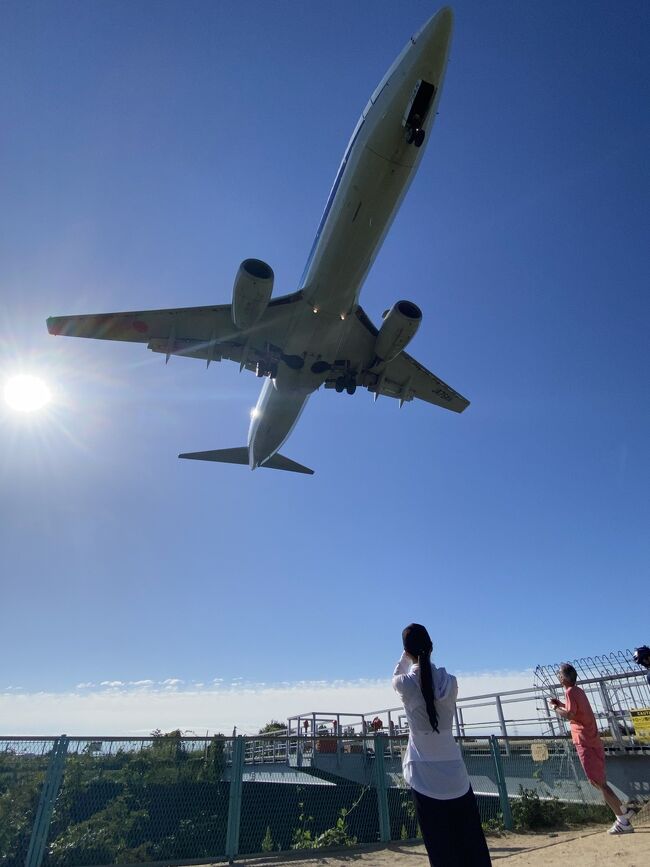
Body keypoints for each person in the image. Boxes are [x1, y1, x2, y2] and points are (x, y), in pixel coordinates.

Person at [392, 623, 491, 866]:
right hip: (456, 777)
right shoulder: (451, 682)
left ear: (407, 651)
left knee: (441, 853)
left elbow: (396, 675)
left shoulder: (404, 684)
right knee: (472, 849)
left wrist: (404, 657)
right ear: (432, 646)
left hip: (423, 777)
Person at [549, 663, 637, 835]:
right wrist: (560, 703)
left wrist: (554, 708)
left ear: (564, 677)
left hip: (584, 741)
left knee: (599, 783)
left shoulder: (569, 692)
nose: (558, 677)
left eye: (559, 674)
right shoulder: (577, 691)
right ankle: (623, 811)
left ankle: (623, 821)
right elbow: (575, 710)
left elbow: (570, 715)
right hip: (592, 738)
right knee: (598, 781)